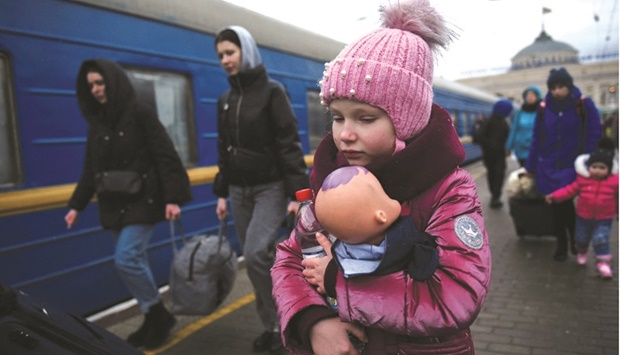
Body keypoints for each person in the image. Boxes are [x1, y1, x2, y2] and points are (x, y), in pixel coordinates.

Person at [271, 1, 491, 354]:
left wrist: (337, 284)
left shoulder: (449, 190)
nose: (344, 134)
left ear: (406, 120)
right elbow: (291, 257)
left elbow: (457, 295)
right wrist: (313, 320)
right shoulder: (333, 178)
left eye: (366, 119)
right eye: (338, 117)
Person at [64, 59, 192, 349]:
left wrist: (172, 198)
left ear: (113, 81)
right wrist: (76, 206)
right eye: (91, 85)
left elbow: (165, 155)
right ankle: (152, 315)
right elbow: (89, 169)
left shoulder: (140, 114)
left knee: (126, 258)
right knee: (131, 262)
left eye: (100, 83)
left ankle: (157, 314)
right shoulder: (97, 123)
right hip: (113, 204)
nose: (96, 90)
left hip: (143, 200)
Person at [212, 26, 309, 353]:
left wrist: (299, 196)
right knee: (255, 260)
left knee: (254, 254)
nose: (225, 60)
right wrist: (222, 194)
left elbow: (288, 145)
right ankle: (271, 324)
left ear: (246, 51)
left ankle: (287, 320)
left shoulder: (272, 92)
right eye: (221, 55)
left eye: (230, 52)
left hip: (270, 187)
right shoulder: (225, 100)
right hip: (238, 191)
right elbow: (224, 150)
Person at [525, 67, 602, 261]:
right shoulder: (544, 108)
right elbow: (537, 137)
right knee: (556, 205)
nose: (557, 91)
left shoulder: (583, 104)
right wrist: (530, 166)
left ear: (569, 86)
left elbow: (593, 134)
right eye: (553, 87)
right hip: (548, 165)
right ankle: (566, 243)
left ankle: (571, 242)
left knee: (564, 203)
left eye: (561, 87)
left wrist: (589, 161)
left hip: (572, 164)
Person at [314, 166, 438, 280]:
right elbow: (426, 273)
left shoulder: (341, 257)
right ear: (381, 216)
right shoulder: (405, 238)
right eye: (383, 195)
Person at [545, 137, 618, 278]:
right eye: (594, 167)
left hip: (604, 218)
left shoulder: (614, 183)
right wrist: (554, 196)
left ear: (608, 170)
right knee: (581, 238)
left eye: (602, 168)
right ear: (589, 167)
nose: (597, 170)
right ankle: (582, 250)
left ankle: (603, 264)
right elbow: (569, 190)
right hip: (583, 216)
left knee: (601, 239)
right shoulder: (583, 181)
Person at [479, 99, 513, 209]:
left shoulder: (489, 121)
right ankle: (495, 196)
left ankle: (495, 195)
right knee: (498, 174)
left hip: (490, 154)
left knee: (493, 174)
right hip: (497, 154)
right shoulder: (502, 123)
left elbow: (480, 136)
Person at [505, 86, 543, 167]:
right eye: (528, 95)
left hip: (537, 147)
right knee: (524, 173)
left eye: (532, 95)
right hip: (521, 148)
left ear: (537, 97)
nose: (530, 97)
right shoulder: (519, 112)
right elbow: (514, 129)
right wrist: (508, 147)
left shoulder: (542, 111)